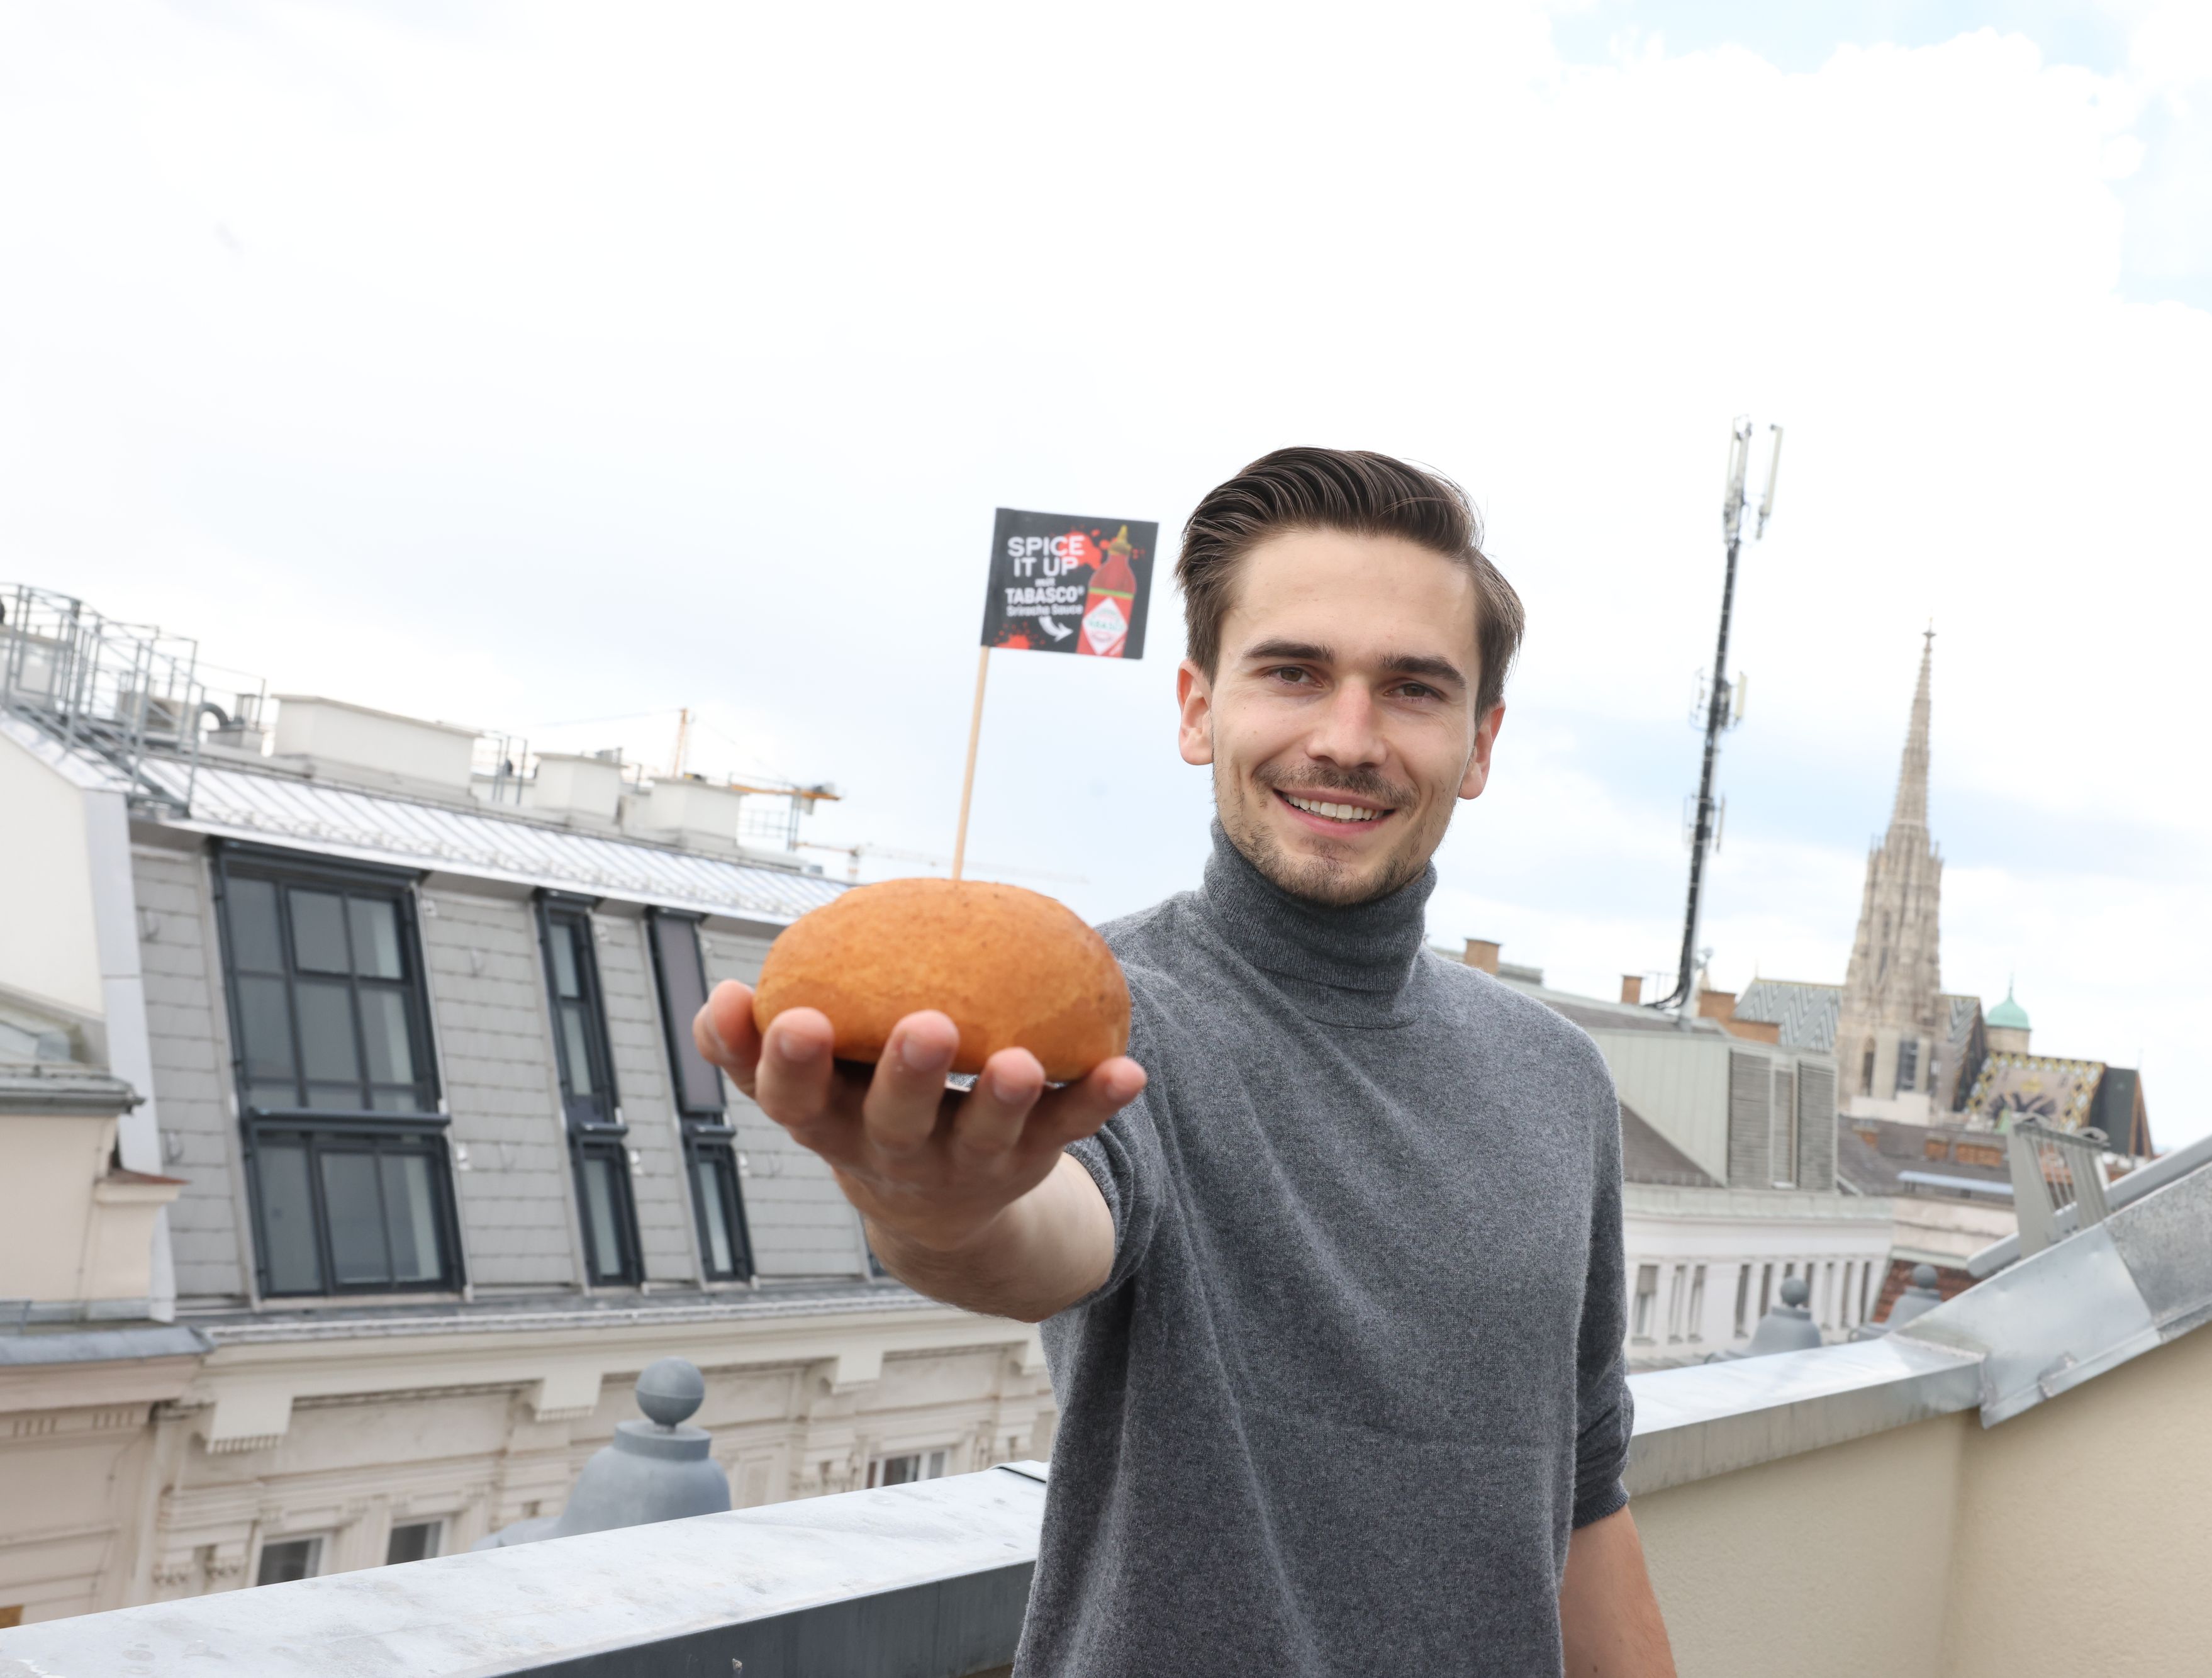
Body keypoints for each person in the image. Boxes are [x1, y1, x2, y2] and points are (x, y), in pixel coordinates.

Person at [695, 448, 1675, 1677]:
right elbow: (1035, 1232)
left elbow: (1585, 1482)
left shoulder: (1556, 1075)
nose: (1348, 736)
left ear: (1477, 744)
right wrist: (933, 1204)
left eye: (1411, 689)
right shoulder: (1118, 1020)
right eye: (1293, 672)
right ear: (1197, 707)